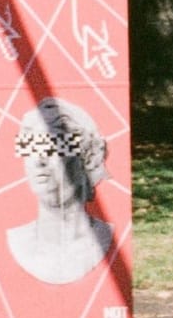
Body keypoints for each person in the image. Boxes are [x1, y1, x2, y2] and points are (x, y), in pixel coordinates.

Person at [6, 97, 113, 284]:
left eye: (53, 147)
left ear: (87, 159)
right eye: (31, 149)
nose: (39, 160)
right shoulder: (17, 241)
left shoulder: (105, 237)